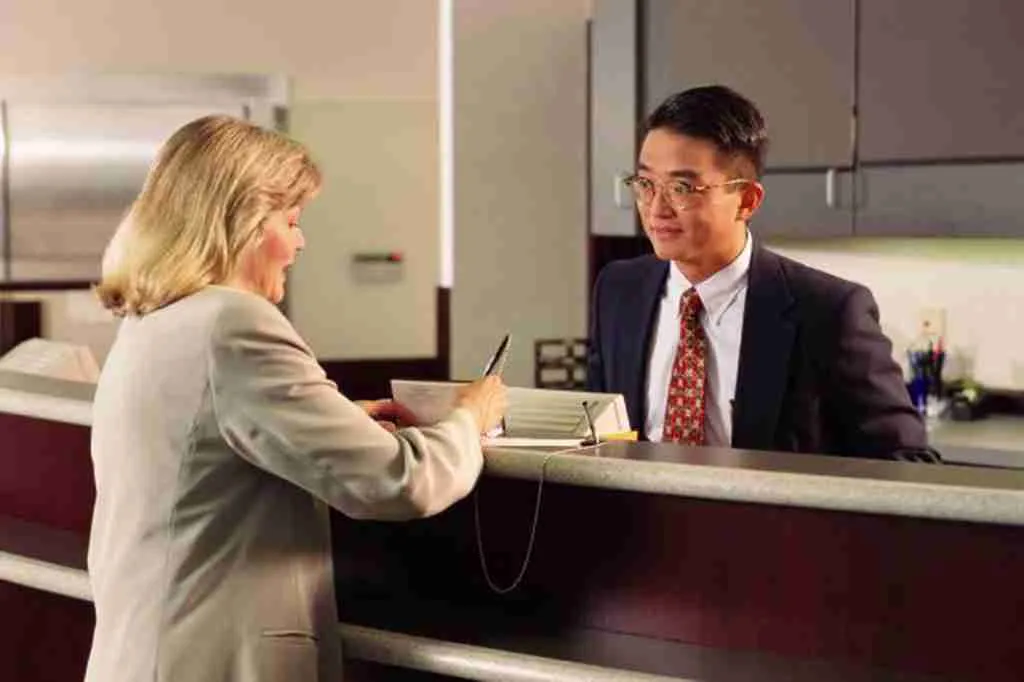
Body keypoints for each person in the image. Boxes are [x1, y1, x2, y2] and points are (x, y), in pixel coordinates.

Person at [84, 115, 507, 682]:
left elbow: (203, 440)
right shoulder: (235, 323)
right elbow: (397, 482)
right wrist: (468, 418)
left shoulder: (153, 319)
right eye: (291, 219)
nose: (300, 240)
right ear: (242, 222)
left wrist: (330, 419)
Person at [587, 85, 929, 460]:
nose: (656, 210)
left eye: (682, 187)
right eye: (646, 184)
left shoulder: (827, 312)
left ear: (747, 200)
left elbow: (908, 463)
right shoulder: (618, 291)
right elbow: (601, 438)